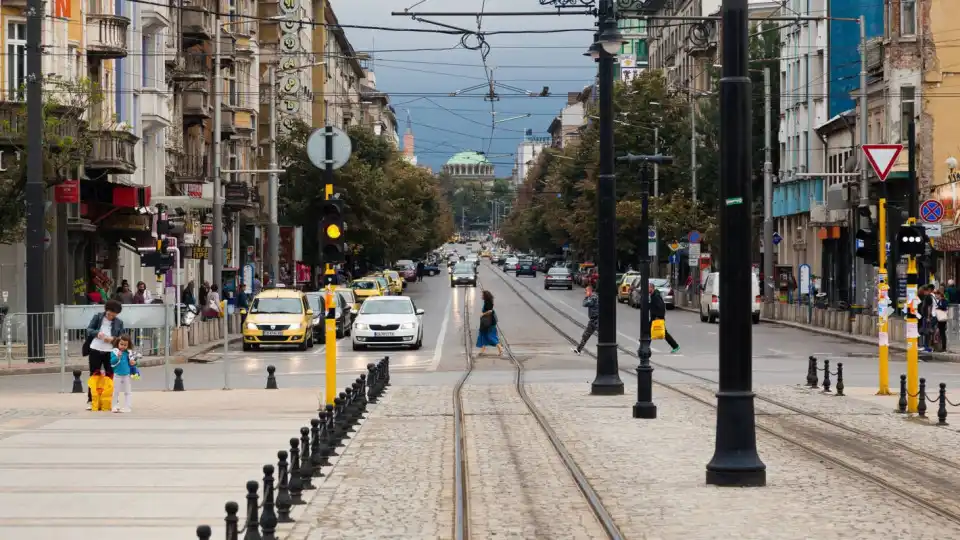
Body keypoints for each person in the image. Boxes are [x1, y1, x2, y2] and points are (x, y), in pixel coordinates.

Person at [84, 300, 125, 410]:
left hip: (110, 351)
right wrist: (98, 334)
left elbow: (122, 337)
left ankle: (113, 401)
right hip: (95, 349)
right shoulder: (97, 318)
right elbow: (89, 330)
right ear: (106, 310)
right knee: (94, 375)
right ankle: (92, 400)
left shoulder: (119, 323)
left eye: (114, 315)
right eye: (109, 314)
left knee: (111, 375)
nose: (111, 316)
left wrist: (113, 339)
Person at [649, 282, 680, 353]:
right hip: (655, 317)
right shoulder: (653, 295)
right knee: (649, 332)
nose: (647, 289)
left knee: (663, 333)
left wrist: (658, 316)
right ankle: (675, 346)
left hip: (657, 317)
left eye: (649, 287)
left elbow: (661, 307)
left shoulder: (656, 296)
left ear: (652, 288)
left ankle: (675, 346)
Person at [110, 334, 136, 413]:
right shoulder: (114, 351)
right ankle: (114, 406)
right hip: (117, 374)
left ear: (128, 345)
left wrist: (133, 362)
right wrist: (117, 357)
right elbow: (112, 362)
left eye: (125, 345)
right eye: (121, 344)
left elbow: (134, 363)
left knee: (128, 392)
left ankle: (127, 406)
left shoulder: (129, 353)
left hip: (126, 375)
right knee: (115, 391)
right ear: (118, 343)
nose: (123, 346)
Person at [572, 285, 599, 355]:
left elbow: (585, 304)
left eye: (586, 291)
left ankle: (605, 349)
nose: (585, 292)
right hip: (593, 320)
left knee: (601, 335)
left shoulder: (593, 297)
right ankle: (578, 349)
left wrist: (587, 296)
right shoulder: (593, 297)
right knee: (586, 335)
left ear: (590, 291)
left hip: (596, 320)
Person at [476, 290, 502, 356]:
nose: (481, 296)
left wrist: (483, 314)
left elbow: (490, 311)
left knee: (489, 335)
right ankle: (482, 351)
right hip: (486, 322)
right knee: (484, 335)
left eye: (482, 295)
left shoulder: (488, 303)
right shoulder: (486, 302)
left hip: (489, 322)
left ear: (485, 296)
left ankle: (500, 348)